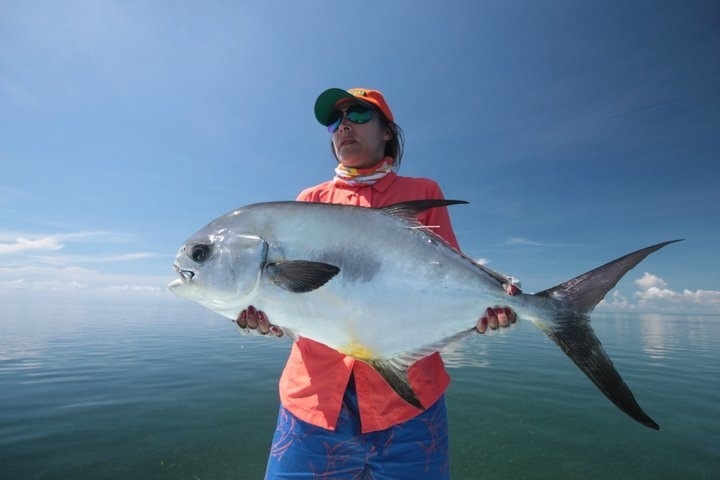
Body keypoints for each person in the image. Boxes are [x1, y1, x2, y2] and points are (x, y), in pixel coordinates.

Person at [237, 88, 520, 479]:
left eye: (357, 114)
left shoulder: (422, 193)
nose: (344, 126)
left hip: (408, 405)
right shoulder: (310, 200)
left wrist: (492, 296)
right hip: (315, 402)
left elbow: (448, 273)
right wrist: (270, 313)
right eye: (335, 122)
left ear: (387, 131)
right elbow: (304, 298)